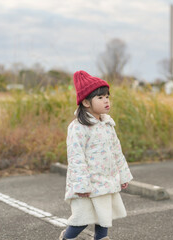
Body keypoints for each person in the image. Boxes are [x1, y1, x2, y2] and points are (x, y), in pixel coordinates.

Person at [59, 70, 133, 240]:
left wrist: (123, 175)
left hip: (105, 181)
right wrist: (82, 185)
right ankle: (66, 238)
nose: (106, 100)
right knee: (82, 218)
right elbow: (76, 158)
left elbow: (117, 152)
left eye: (107, 96)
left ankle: (101, 238)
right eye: (100, 98)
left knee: (104, 217)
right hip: (86, 184)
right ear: (86, 102)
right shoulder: (78, 127)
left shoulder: (107, 124)